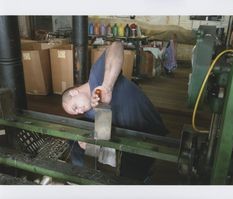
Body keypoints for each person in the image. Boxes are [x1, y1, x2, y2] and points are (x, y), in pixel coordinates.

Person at [62, 41, 168, 182]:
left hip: (146, 130)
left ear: (74, 93)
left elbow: (116, 46)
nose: (79, 110)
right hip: (127, 134)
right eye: (76, 112)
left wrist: (107, 86)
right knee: (74, 134)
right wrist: (84, 140)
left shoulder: (97, 76)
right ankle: (82, 178)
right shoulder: (89, 112)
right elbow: (93, 128)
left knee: (131, 178)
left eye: (75, 107)